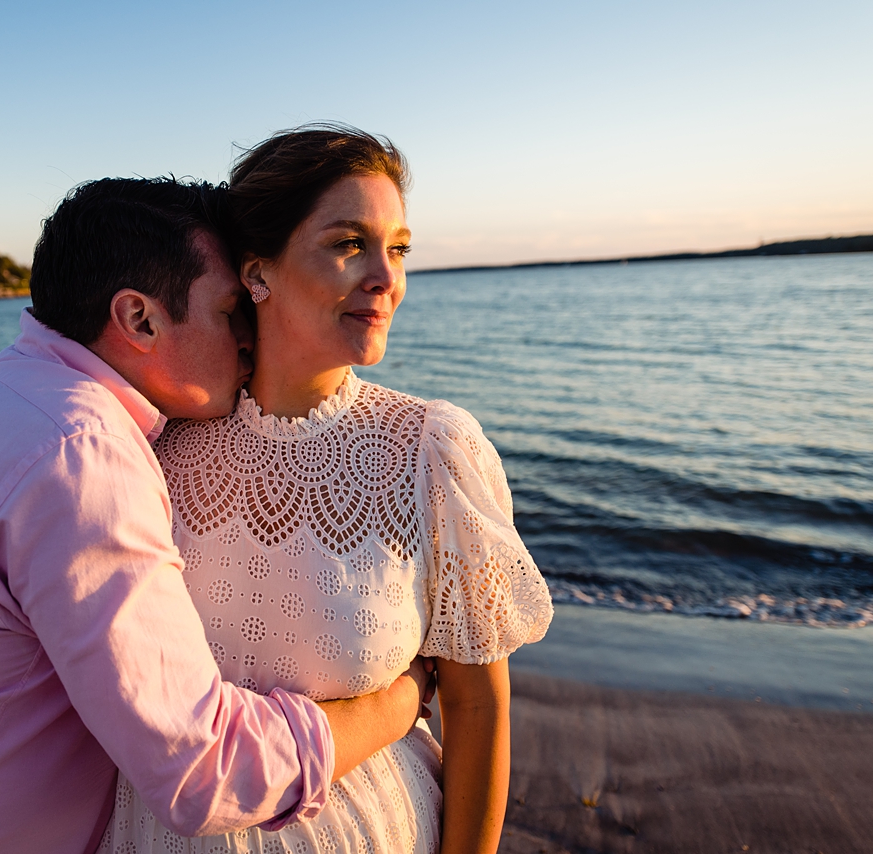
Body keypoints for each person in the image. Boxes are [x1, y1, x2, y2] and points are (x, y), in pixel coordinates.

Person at [0, 177, 433, 854]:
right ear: (139, 320)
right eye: (228, 311)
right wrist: (396, 703)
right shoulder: (81, 456)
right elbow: (202, 770)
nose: (250, 338)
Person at [100, 127, 555, 854]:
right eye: (349, 244)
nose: (386, 277)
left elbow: (477, 705)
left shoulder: (432, 448)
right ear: (258, 273)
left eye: (398, 248)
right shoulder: (151, 447)